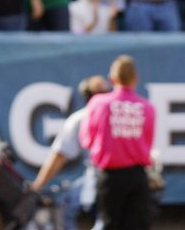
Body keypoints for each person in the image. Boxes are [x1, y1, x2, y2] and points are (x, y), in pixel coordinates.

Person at [80, 55, 155, 230]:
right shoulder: (147, 107)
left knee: (109, 223)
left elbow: (86, 140)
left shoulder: (98, 103)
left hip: (109, 176)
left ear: (112, 79)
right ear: (135, 79)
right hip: (138, 175)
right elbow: (148, 141)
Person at [32, 75, 111, 230]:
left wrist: (37, 185)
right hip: (102, 177)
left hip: (110, 178)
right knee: (67, 201)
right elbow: (59, 155)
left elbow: (59, 157)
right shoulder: (81, 119)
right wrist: (38, 185)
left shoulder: (86, 118)